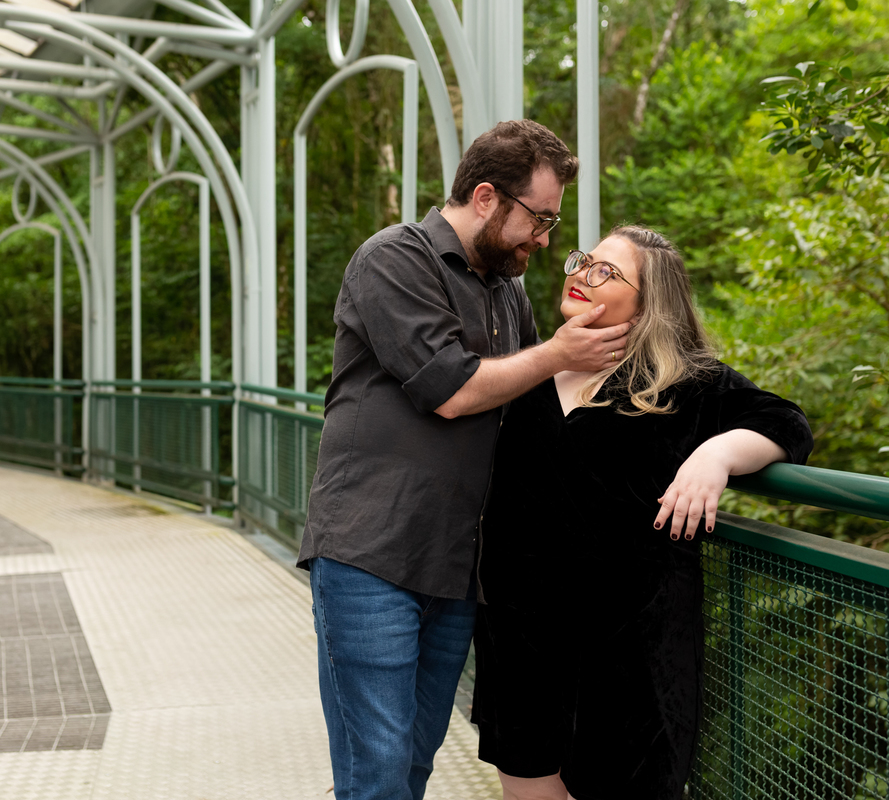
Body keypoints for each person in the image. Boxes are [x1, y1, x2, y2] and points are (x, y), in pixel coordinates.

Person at [298, 120, 634, 800]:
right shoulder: (394, 258)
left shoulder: (506, 290)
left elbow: (536, 408)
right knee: (378, 774)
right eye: (539, 219)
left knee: (413, 765)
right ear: (486, 198)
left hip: (457, 566)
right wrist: (556, 353)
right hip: (371, 553)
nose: (545, 240)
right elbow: (450, 390)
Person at [470, 225, 814, 800]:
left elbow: (787, 423)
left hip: (632, 655)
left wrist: (716, 455)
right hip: (522, 645)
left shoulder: (685, 383)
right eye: (585, 261)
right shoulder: (531, 373)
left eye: (607, 271)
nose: (583, 274)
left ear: (649, 302)